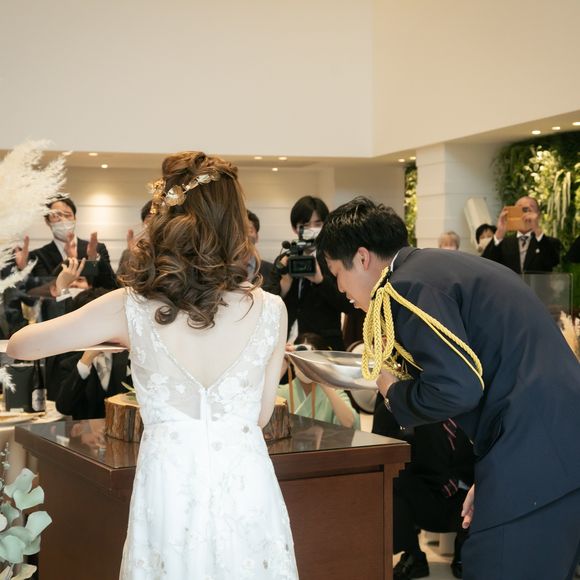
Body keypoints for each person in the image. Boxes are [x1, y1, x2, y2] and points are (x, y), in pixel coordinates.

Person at [8, 151, 298, 579]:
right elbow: (259, 415)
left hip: (169, 490)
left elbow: (21, 346)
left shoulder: (130, 308)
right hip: (247, 488)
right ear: (235, 224)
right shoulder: (271, 310)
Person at [315, 196, 580, 580]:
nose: (341, 289)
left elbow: (458, 388)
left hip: (534, 450)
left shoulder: (404, 287)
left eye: (337, 273)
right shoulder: (434, 270)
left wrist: (392, 390)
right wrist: (492, 475)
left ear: (362, 258)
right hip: (549, 447)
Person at [269, 195, 352, 349]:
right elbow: (267, 304)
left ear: (325, 225)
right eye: (305, 224)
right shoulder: (285, 260)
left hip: (324, 346)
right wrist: (284, 285)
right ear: (295, 228)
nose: (312, 229)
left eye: (318, 224)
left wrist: (320, 281)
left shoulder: (334, 259)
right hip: (285, 343)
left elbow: (348, 305)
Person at [52, 288, 131, 420]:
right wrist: (85, 361)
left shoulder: (128, 356)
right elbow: (64, 407)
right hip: (85, 432)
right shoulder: (70, 363)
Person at [281, 332, 360, 429]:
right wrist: (282, 366)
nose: (306, 365)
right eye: (301, 358)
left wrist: (320, 376)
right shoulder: (281, 392)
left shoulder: (334, 392)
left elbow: (349, 422)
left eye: (311, 358)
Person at [482, 195, 562, 273]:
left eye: (530, 209)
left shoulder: (550, 242)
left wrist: (537, 229)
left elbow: (552, 261)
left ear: (538, 215)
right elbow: (485, 265)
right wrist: (499, 232)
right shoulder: (503, 243)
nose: (525, 214)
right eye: (520, 209)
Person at [116, 200, 153, 277]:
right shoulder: (130, 253)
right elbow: (120, 280)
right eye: (149, 218)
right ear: (143, 224)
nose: (154, 223)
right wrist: (133, 257)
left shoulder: (174, 252)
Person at [247, 209, 275, 288]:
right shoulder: (222, 271)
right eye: (239, 230)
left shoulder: (271, 271)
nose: (244, 236)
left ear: (257, 237)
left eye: (249, 230)